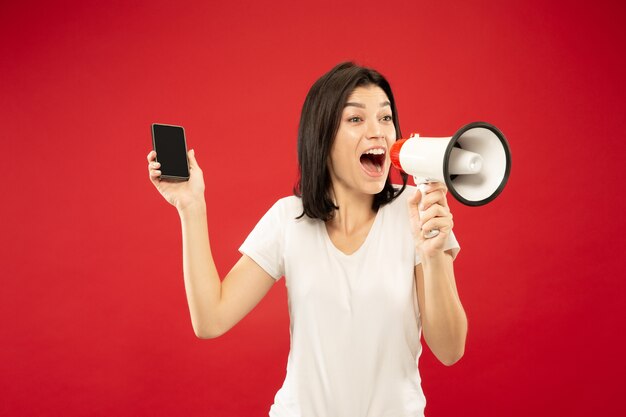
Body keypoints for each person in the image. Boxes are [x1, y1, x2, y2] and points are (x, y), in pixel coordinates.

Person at [147, 62, 467, 417]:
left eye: (386, 118)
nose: (378, 132)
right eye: (356, 119)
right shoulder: (289, 219)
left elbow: (450, 350)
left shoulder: (418, 209)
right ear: (322, 135)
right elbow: (210, 319)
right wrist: (192, 207)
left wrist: (434, 254)